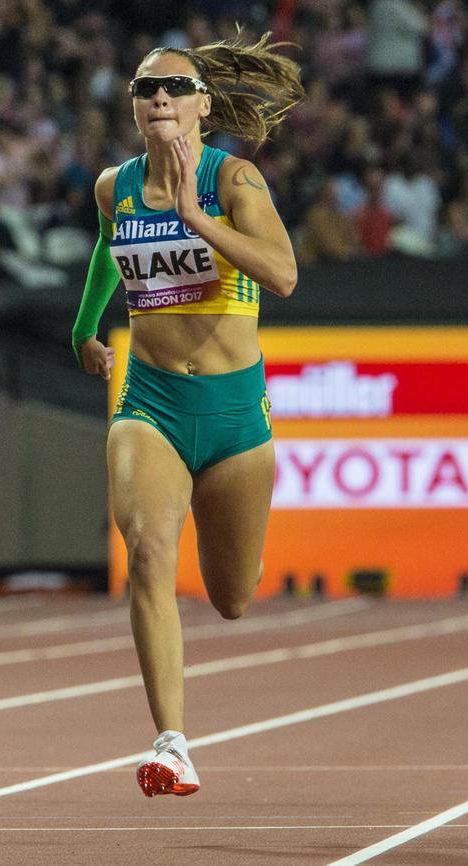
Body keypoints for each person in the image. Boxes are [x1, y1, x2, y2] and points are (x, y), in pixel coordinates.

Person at [71, 31, 303, 797]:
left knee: (232, 597)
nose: (159, 98)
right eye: (145, 89)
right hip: (152, 401)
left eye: (174, 87)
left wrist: (201, 219)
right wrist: (84, 328)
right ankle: (171, 742)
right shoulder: (115, 185)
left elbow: (283, 273)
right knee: (146, 551)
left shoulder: (233, 177)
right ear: (135, 107)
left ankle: (235, 560)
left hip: (235, 412)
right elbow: (110, 250)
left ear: (203, 104)